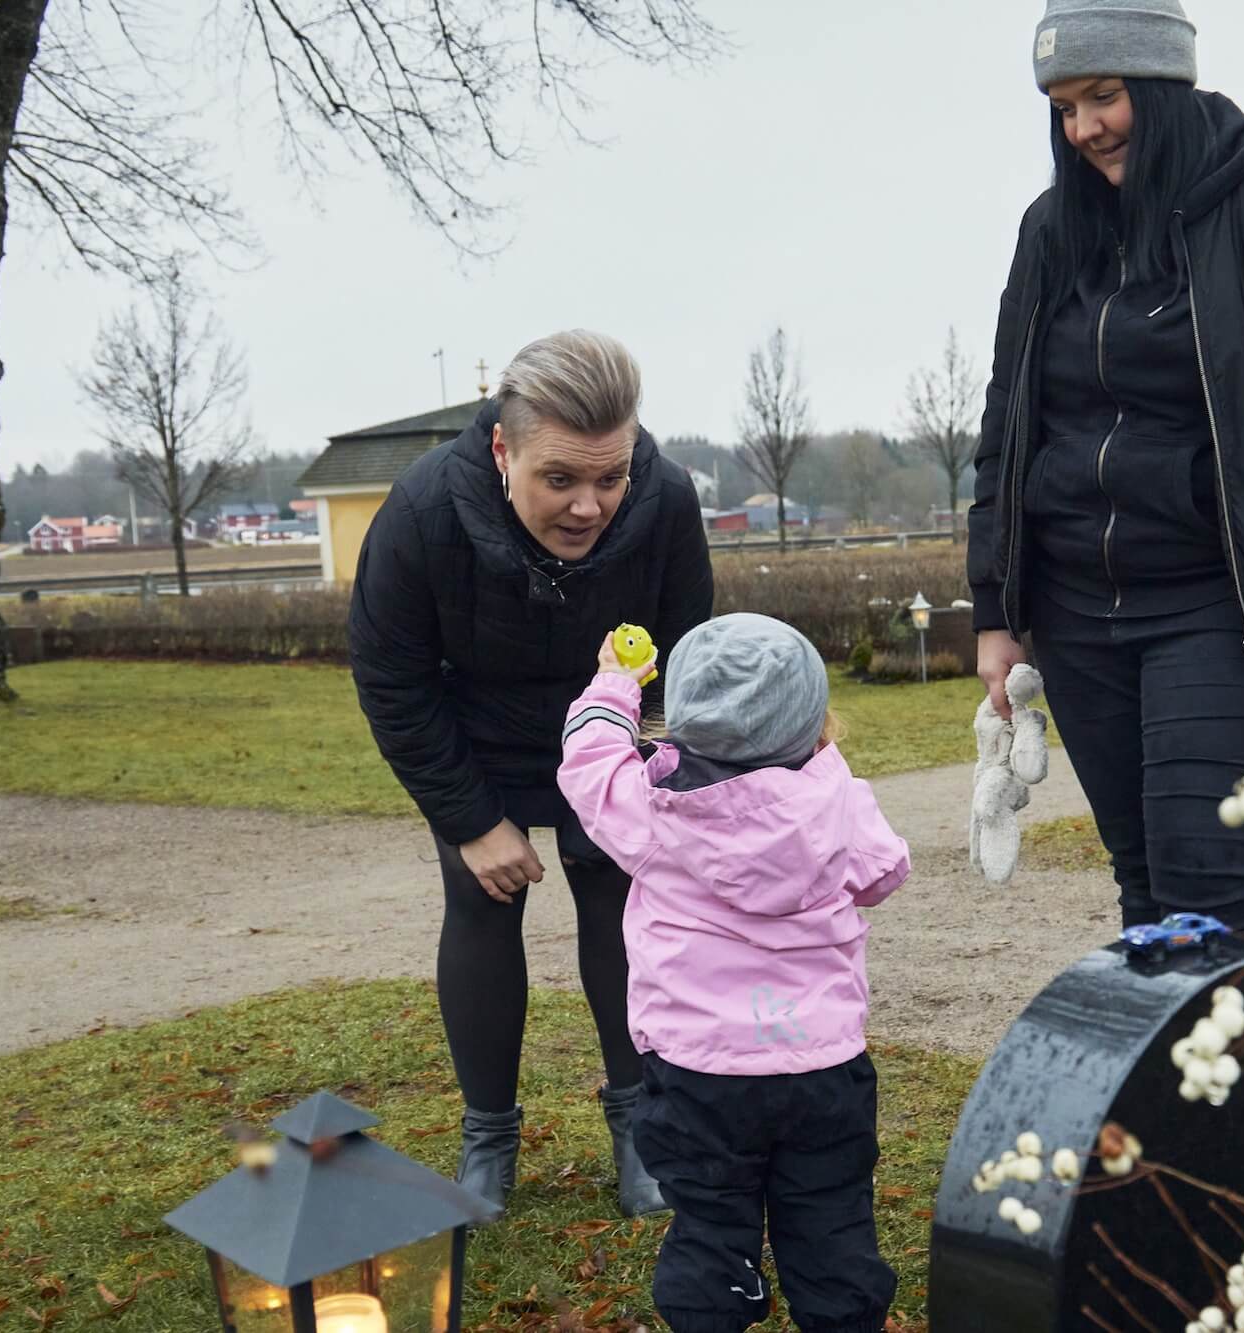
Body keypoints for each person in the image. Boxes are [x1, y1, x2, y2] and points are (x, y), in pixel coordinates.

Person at [968, 0, 1244, 934]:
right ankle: (1174, 1085)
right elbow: (1008, 423)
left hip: (1219, 606)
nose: (1083, 129)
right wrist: (997, 608)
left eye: (1104, 96)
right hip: (1078, 614)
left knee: (1205, 884)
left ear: (1164, 82)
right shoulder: (1051, 230)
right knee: (1148, 888)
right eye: (1062, 106)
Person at [347, 329, 714, 1216]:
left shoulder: (663, 499)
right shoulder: (423, 511)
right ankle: (489, 1138)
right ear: (504, 449)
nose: (590, 506)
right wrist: (471, 819)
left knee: (620, 899)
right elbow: (390, 676)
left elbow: (682, 652)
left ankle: (642, 1129)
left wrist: (645, 777)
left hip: (611, 721)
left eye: (609, 477)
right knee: (481, 900)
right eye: (561, 480)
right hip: (475, 728)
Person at [556, 613, 907, 1333]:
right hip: (822, 1067)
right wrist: (827, 770)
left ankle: (713, 1307)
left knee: (711, 1220)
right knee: (831, 1217)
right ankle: (841, 1314)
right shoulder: (837, 803)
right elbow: (883, 873)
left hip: (698, 1073)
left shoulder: (654, 811)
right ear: (814, 721)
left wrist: (616, 681)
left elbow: (588, 761)